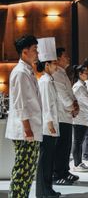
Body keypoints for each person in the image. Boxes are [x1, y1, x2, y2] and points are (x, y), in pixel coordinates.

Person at [6, 35, 42, 198]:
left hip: (31, 129)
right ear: (25, 52)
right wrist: (27, 129)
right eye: (34, 50)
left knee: (28, 171)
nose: (37, 53)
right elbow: (20, 103)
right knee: (22, 170)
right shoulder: (20, 72)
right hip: (25, 131)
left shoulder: (27, 71)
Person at [35, 37, 61, 198]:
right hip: (47, 127)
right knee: (45, 161)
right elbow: (45, 105)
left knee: (49, 160)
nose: (56, 66)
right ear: (46, 65)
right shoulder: (44, 81)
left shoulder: (49, 80)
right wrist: (50, 122)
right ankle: (43, 192)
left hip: (52, 125)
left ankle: (47, 189)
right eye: (54, 63)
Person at [52, 47, 79, 185]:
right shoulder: (56, 74)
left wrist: (75, 105)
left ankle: (64, 171)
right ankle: (57, 175)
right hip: (61, 116)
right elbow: (63, 95)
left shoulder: (63, 73)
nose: (68, 58)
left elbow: (70, 93)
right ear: (57, 59)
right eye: (65, 56)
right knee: (61, 147)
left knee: (66, 146)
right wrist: (72, 107)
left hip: (67, 115)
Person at [72, 65, 88, 172]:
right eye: (86, 73)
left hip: (83, 117)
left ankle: (79, 162)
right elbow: (72, 100)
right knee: (77, 141)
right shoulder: (78, 87)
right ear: (80, 74)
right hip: (79, 118)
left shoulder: (82, 85)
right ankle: (76, 164)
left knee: (79, 141)